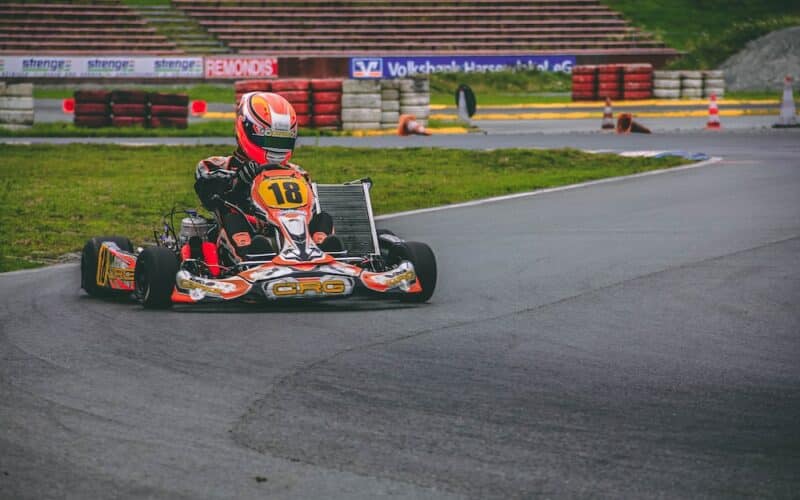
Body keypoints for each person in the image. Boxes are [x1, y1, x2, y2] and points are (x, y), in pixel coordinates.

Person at [194, 92, 333, 264]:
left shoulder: (297, 173)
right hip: (247, 235)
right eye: (267, 139)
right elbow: (208, 195)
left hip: (294, 235)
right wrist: (238, 180)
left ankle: (329, 253)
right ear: (245, 129)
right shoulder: (216, 166)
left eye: (281, 142)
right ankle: (253, 259)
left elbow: (309, 210)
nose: (274, 148)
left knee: (324, 218)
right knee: (234, 221)